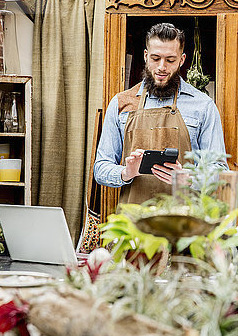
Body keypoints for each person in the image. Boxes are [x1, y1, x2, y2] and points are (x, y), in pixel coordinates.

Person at [93, 22, 227, 205]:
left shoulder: (203, 106)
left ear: (182, 60)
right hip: (132, 224)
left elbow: (219, 170)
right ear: (146, 56)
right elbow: (100, 168)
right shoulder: (121, 103)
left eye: (170, 60)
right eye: (156, 58)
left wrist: (187, 178)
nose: (162, 67)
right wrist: (126, 172)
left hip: (185, 223)